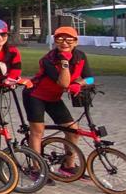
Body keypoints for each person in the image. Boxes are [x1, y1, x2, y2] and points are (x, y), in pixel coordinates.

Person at [25, 26, 93, 177]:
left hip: (53, 98)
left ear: (76, 41)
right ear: (55, 41)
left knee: (73, 131)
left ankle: (68, 166)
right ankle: (36, 169)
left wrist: (78, 84)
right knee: (37, 131)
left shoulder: (81, 56)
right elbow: (63, 83)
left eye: (69, 39)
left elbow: (90, 78)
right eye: (59, 39)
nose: (64, 43)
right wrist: (64, 63)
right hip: (35, 95)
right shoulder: (48, 59)